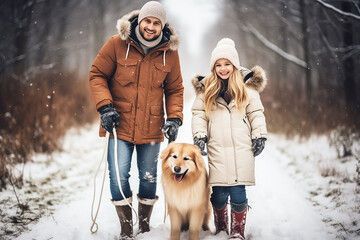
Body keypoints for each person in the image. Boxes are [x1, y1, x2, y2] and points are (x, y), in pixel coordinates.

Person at [89, 1, 184, 239]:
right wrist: (105, 107)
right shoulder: (116, 44)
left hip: (151, 127)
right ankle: (125, 229)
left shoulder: (169, 54)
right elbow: (97, 74)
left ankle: (144, 226)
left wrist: (174, 118)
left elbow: (175, 89)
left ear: (162, 26)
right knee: (118, 174)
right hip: (118, 125)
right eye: (147, 21)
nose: (151, 27)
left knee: (149, 175)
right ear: (139, 21)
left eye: (156, 23)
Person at [191, 38, 267, 239]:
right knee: (218, 193)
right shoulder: (206, 89)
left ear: (234, 65)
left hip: (241, 147)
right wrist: (200, 135)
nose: (223, 68)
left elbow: (256, 113)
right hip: (216, 146)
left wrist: (259, 135)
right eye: (218, 65)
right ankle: (222, 228)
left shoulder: (247, 89)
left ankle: (236, 232)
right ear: (213, 67)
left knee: (238, 190)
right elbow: (198, 114)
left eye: (227, 64)